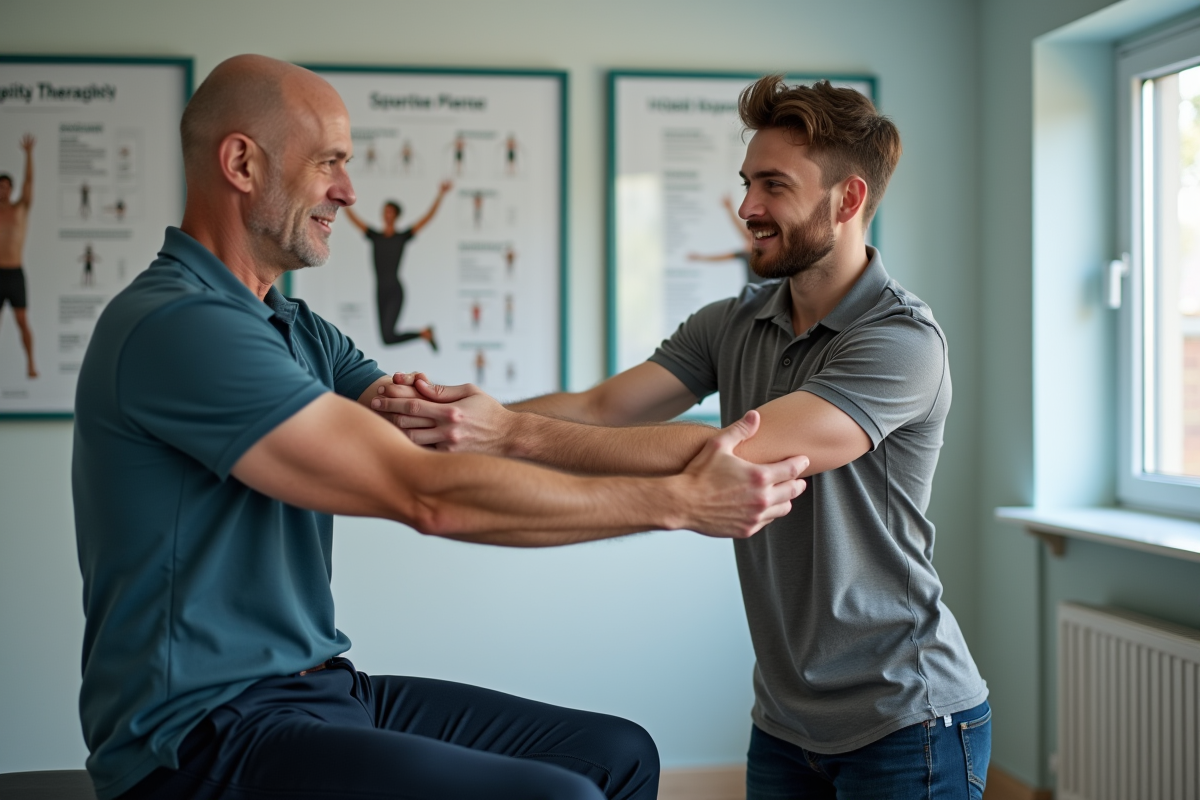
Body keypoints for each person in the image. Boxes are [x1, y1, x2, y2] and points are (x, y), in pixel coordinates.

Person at [71, 55, 809, 800]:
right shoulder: (180, 325)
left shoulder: (297, 331)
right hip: (199, 735)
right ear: (241, 162)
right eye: (329, 162)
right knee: (559, 797)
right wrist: (679, 503)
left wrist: (706, 458)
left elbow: (455, 436)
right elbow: (427, 492)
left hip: (320, 691)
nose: (349, 192)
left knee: (616, 756)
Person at [379, 76, 991, 799]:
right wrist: (457, 419)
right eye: (746, 183)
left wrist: (509, 432)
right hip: (787, 719)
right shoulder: (734, 321)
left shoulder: (900, 342)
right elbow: (603, 406)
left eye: (773, 186)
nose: (747, 208)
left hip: (905, 714)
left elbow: (724, 456)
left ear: (848, 200)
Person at [343, 182, 449, 349]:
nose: (387, 215)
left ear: (396, 215)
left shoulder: (402, 237)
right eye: (385, 212)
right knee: (387, 339)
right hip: (379, 290)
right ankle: (424, 334)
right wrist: (342, 201)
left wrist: (440, 195)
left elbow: (426, 218)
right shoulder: (375, 236)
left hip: (394, 290)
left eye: (390, 212)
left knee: (389, 336)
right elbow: (355, 220)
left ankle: (424, 334)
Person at [0, 134, 37, 378]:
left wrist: (28, 154)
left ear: (11, 189)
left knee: (22, 321)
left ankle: (31, 364)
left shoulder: (20, 209)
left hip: (15, 273)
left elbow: (30, 182)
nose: (2, 189)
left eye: (5, 186)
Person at [686, 194, 764, 286]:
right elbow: (719, 257)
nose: (746, 242)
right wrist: (700, 258)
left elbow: (743, 232)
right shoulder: (745, 253)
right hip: (754, 292)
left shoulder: (765, 251)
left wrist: (729, 209)